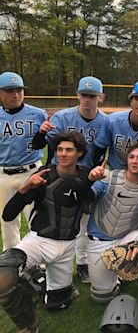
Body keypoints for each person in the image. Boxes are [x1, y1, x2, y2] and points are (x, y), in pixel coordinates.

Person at [0, 131, 102, 332]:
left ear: (79, 153)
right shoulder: (43, 175)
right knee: (3, 274)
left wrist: (91, 180)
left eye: (69, 150)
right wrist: (25, 189)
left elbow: (78, 196)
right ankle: (28, 326)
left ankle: (36, 280)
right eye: (59, 149)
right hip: (39, 241)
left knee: (57, 304)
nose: (63, 154)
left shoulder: (86, 175)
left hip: (67, 248)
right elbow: (8, 215)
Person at [86, 143, 138, 329]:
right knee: (102, 297)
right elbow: (85, 199)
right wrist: (90, 180)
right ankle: (119, 278)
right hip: (98, 242)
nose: (134, 160)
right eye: (131, 156)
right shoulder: (108, 177)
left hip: (127, 239)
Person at [31, 75, 107, 284]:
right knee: (49, 217)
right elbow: (38, 145)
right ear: (77, 95)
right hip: (58, 174)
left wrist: (92, 178)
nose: (87, 100)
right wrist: (40, 133)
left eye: (92, 96)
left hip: (84, 175)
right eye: (84, 95)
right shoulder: (62, 117)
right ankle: (46, 263)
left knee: (82, 222)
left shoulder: (105, 121)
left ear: (100, 97)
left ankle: (82, 264)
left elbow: (102, 152)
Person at [0, 71, 46, 251]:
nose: (16, 95)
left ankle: (36, 260)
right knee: (8, 221)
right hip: (3, 173)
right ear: (1, 93)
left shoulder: (38, 114)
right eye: (10, 91)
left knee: (37, 219)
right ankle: (11, 263)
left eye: (19, 90)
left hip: (31, 172)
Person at [92, 80, 138, 169]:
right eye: (136, 98)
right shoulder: (113, 121)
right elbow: (99, 150)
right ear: (131, 101)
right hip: (115, 172)